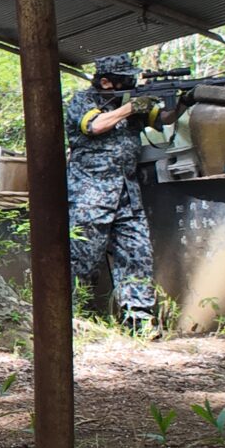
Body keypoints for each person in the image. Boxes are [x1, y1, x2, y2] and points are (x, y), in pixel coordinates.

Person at [65, 53, 178, 336]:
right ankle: (70, 319)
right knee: (82, 259)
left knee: (136, 255)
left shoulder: (126, 104)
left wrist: (182, 100)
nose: (132, 83)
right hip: (90, 196)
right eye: (126, 79)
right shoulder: (83, 101)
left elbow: (164, 119)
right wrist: (130, 108)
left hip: (128, 196)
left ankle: (139, 322)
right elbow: (94, 126)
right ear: (106, 82)